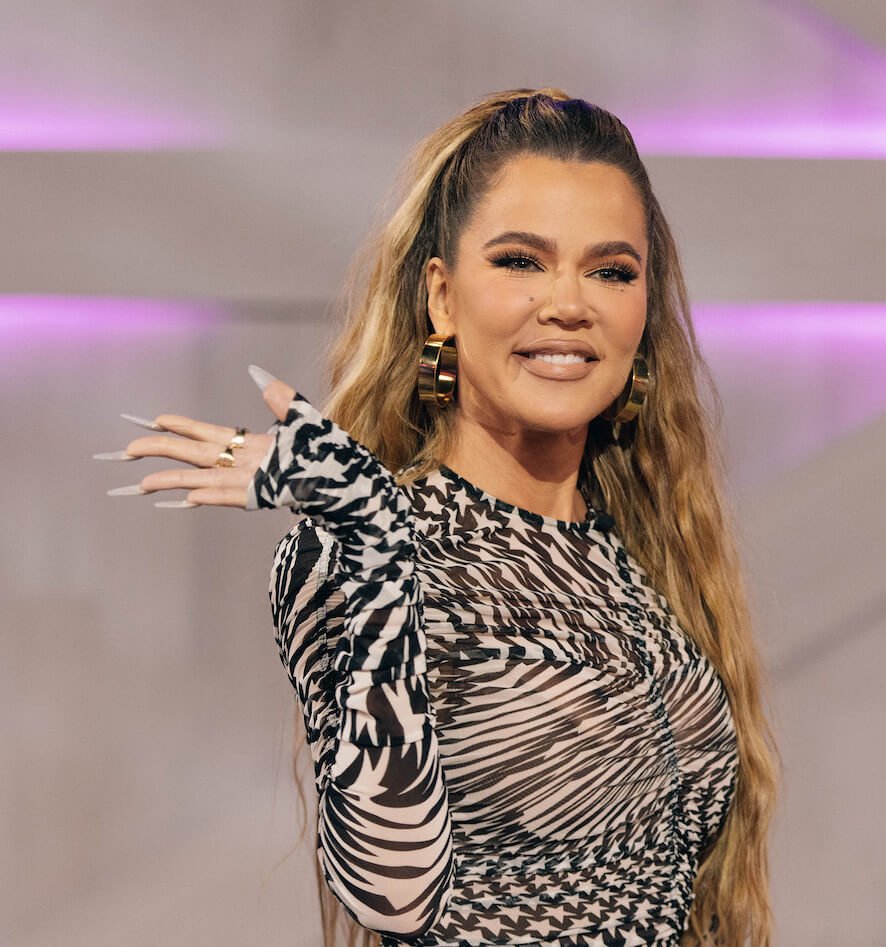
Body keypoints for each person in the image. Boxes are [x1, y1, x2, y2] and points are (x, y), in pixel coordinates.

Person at [97, 88, 778, 946]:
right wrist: (376, 540)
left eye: (611, 270)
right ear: (442, 297)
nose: (569, 303)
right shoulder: (360, 545)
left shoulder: (642, 548)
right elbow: (393, 891)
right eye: (521, 261)